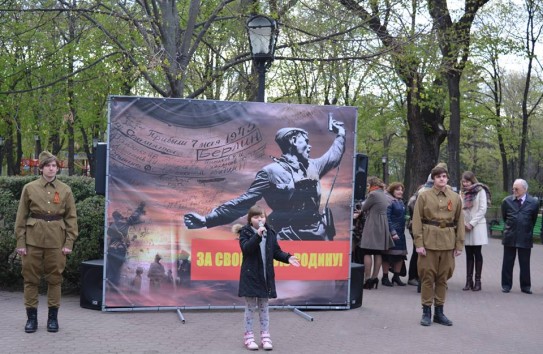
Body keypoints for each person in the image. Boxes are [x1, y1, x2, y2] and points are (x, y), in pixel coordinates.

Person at [184, 119, 346, 241]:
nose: (309, 147)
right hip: (285, 237)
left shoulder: (314, 166)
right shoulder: (270, 172)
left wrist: (341, 134)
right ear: (293, 141)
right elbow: (243, 203)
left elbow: (334, 155)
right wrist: (207, 220)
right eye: (306, 141)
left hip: (317, 235)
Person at [14, 151, 79, 333]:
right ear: (41, 168)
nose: (52, 168)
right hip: (32, 241)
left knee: (55, 280)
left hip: (56, 242)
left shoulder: (65, 190)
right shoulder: (29, 188)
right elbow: (21, 217)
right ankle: (31, 319)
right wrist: (20, 242)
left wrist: (69, 242)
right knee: (30, 280)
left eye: (54, 166)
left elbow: (71, 218)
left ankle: (52, 319)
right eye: (48, 165)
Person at [233, 205, 300, 350]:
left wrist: (288, 258)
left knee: (264, 308)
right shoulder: (245, 232)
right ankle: (249, 336)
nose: (260, 219)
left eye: (262, 216)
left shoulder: (270, 232)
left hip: (265, 277)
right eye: (256, 217)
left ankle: (265, 336)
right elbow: (247, 249)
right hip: (251, 277)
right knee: (250, 308)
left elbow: (276, 251)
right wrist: (257, 235)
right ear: (250, 220)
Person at [412, 164, 464, 326]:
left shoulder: (455, 197)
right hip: (428, 243)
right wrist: (418, 243)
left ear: (447, 178)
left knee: (443, 278)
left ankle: (439, 312)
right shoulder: (424, 196)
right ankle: (426, 311)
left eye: (444, 176)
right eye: (438, 176)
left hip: (448, 243)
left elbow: (460, 221)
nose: (442, 179)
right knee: (427, 278)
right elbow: (417, 220)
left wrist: (459, 244)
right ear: (433, 179)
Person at [500, 179, 539, 294]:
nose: (514, 190)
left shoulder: (533, 202)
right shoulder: (506, 201)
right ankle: (506, 285)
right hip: (510, 235)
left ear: (525, 189)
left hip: (525, 236)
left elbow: (533, 219)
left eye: (517, 188)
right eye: (513, 188)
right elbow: (505, 217)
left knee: (525, 263)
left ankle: (526, 286)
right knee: (507, 262)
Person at [358, 177, 393, 289]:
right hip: (382, 224)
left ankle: (367, 279)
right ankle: (374, 278)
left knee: (367, 251)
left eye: (368, 185)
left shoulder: (373, 194)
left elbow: (363, 207)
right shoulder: (383, 194)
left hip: (373, 223)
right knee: (378, 252)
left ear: (372, 184)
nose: (367, 187)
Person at [460, 171, 491, 291]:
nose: (465, 184)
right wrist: (463, 223)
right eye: (463, 182)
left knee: (477, 253)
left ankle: (478, 281)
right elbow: (460, 209)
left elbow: (483, 209)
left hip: (477, 226)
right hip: (465, 225)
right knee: (468, 254)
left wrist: (472, 224)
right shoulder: (463, 193)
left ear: (472, 180)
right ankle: (468, 281)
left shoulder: (480, 191)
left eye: (467, 181)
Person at [106, 202, 145, 288]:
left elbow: (109, 236)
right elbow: (134, 217)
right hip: (120, 250)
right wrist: (140, 207)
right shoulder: (124, 223)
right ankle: (114, 288)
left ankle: (111, 285)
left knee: (112, 270)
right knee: (117, 271)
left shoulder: (112, 226)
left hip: (111, 251)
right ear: (119, 217)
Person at [385, 182, 408, 286]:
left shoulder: (401, 202)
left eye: (401, 189)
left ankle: (396, 277)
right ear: (392, 191)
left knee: (400, 256)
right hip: (392, 233)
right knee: (387, 256)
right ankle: (385, 278)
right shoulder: (389, 201)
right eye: (397, 190)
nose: (400, 191)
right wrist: (392, 232)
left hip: (401, 233)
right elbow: (387, 218)